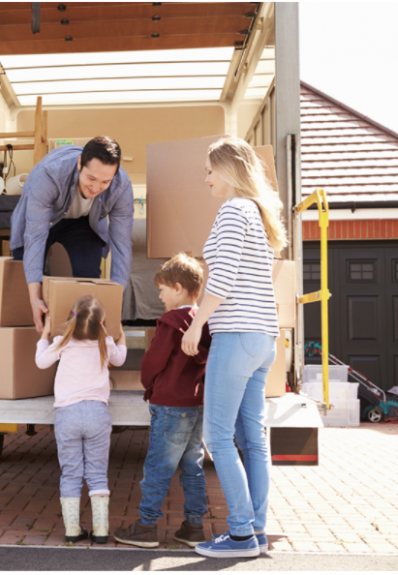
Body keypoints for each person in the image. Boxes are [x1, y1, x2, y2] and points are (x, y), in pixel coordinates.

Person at [181, 137, 287, 558]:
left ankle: (241, 534)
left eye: (209, 170)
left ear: (228, 169)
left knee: (217, 436)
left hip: (237, 335)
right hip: (263, 339)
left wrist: (196, 325)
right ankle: (255, 531)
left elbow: (221, 279)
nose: (206, 179)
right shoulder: (257, 214)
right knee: (252, 439)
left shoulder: (232, 211)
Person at [113, 253, 212, 549]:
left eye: (162, 289)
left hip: (170, 405)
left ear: (178, 288)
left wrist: (149, 385)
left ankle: (145, 527)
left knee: (158, 467)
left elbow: (152, 362)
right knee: (193, 467)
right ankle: (194, 527)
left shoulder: (171, 322)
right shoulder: (203, 322)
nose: (159, 295)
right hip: (196, 404)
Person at [11, 136, 135, 334]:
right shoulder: (49, 175)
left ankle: (82, 342)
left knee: (88, 276)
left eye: (105, 182)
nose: (95, 188)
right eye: (91, 178)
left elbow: (121, 244)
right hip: (44, 218)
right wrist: (35, 298)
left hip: (84, 222)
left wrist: (114, 304)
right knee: (25, 284)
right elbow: (35, 236)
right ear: (80, 164)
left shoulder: (121, 186)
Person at [35, 295, 127, 544]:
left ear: (70, 320)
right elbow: (120, 359)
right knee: (97, 473)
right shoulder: (105, 343)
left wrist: (44, 334)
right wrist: (121, 336)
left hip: (68, 414)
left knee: (71, 473)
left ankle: (73, 529)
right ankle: (100, 530)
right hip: (98, 414)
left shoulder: (62, 342)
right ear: (103, 322)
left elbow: (41, 362)